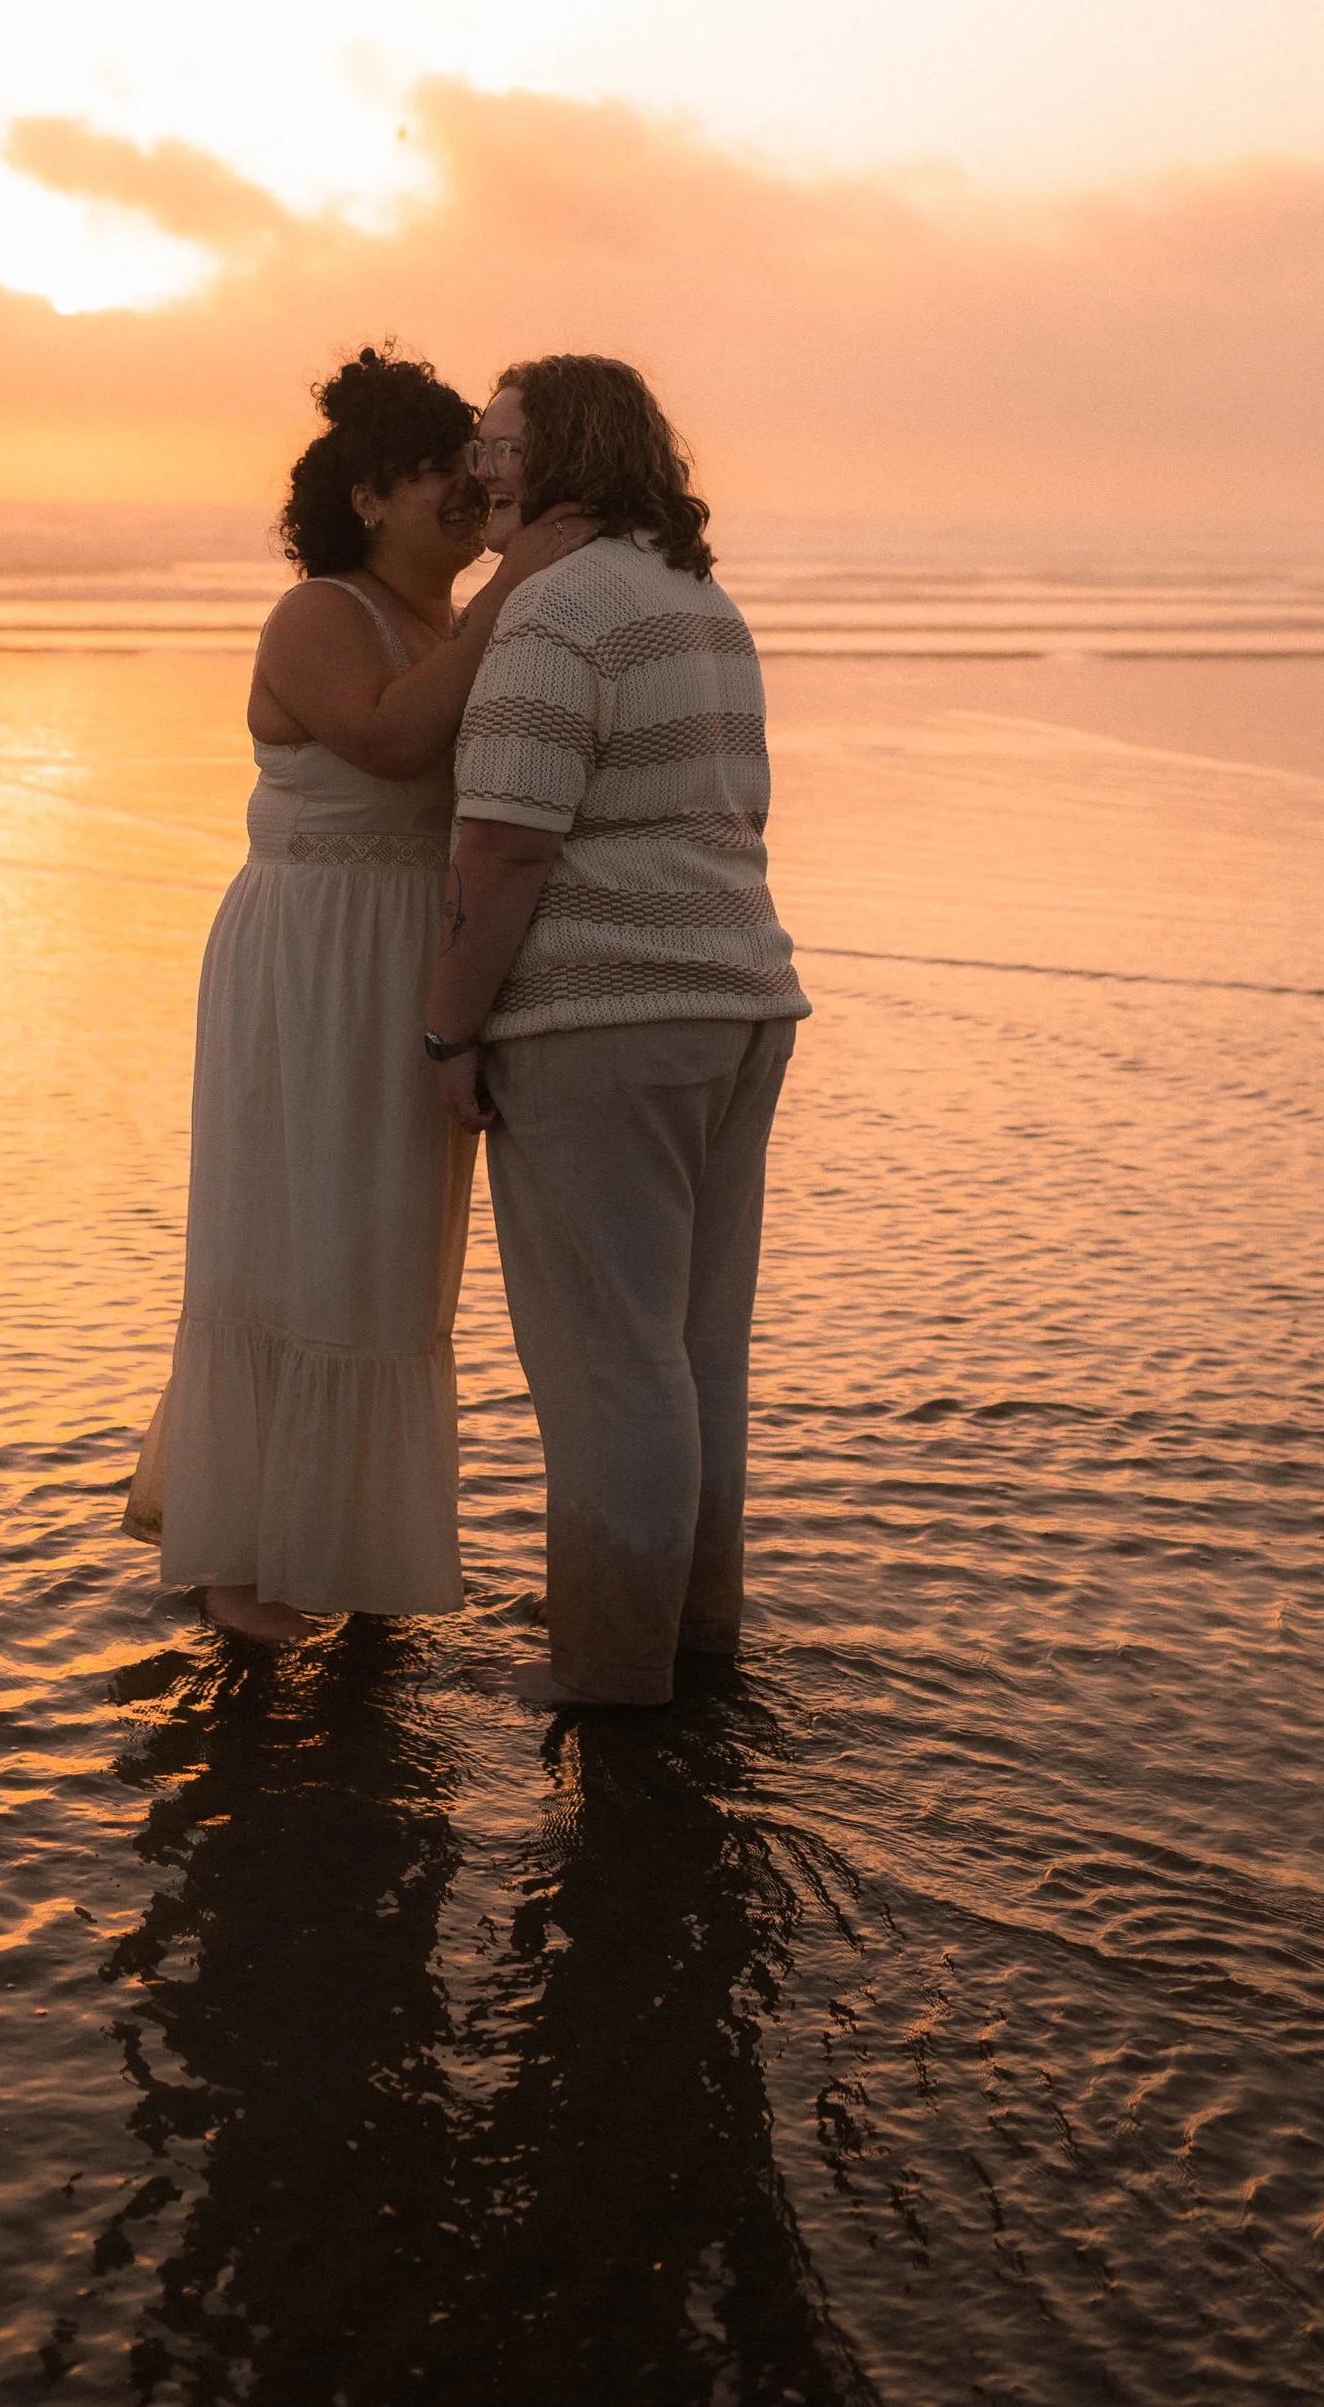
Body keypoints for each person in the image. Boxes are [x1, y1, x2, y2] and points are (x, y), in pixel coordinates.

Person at [125, 347, 590, 1644]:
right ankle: (250, 1561)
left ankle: (348, 1547)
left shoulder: (461, 622)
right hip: (308, 963)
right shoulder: (321, 612)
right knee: (291, 1238)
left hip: (411, 964)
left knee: (384, 1261)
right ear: (370, 497)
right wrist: (516, 585)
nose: (467, 484)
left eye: (471, 461)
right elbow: (386, 735)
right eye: (439, 466)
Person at [424, 356, 808, 1710]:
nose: (478, 462)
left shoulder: (556, 608)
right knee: (694, 1352)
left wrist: (449, 1030)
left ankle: (607, 1669)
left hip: (606, 1016)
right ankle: (693, 1637)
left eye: (503, 439)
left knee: (609, 1364)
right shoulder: (694, 593)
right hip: (743, 998)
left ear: (568, 450)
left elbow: (507, 842)